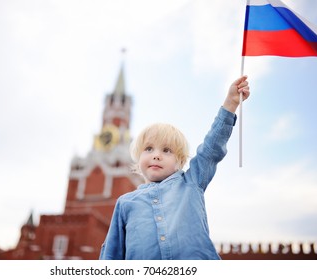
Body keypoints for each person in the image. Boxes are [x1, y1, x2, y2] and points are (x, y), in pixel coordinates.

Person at [99, 76, 250, 260]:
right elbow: (111, 254)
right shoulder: (125, 203)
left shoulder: (192, 182)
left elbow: (211, 149)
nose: (156, 155)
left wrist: (230, 103)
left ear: (179, 161)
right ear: (139, 158)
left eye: (166, 150)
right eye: (148, 149)